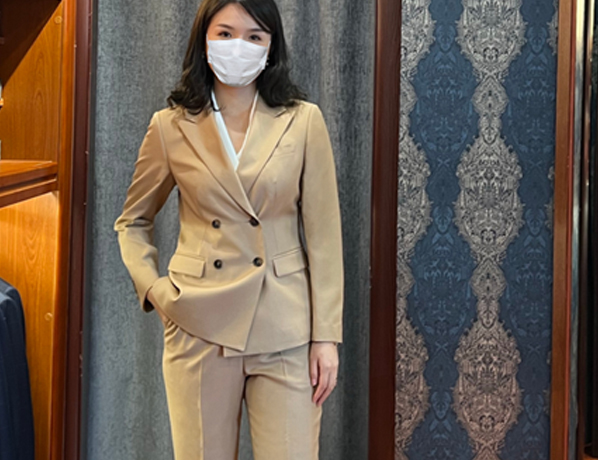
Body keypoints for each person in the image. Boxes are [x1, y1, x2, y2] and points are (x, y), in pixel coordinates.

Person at [114, 0, 344, 458]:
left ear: (271, 47)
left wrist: (326, 336)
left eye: (254, 36)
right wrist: (156, 290)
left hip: (285, 324)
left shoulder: (303, 120)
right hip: (199, 322)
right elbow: (133, 221)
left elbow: (324, 237)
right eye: (225, 33)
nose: (239, 45)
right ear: (203, 40)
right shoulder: (170, 126)